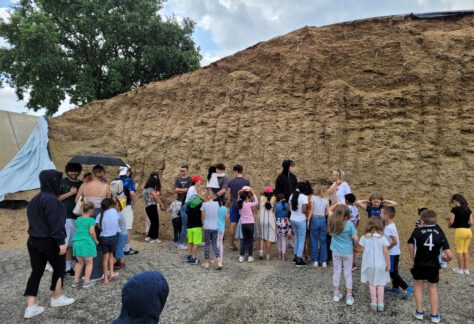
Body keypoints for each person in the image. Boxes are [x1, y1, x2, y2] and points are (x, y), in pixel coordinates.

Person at [23, 170, 75, 319]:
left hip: (33, 241)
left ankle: (30, 307)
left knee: (36, 271)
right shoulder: (53, 200)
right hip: (49, 241)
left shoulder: (34, 199)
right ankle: (57, 298)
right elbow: (56, 224)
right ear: (54, 182)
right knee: (59, 268)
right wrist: (61, 242)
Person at [408, 209, 453, 323]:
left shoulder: (417, 231)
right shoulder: (439, 231)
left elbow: (411, 246)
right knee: (432, 289)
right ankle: (434, 315)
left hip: (419, 264)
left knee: (418, 287)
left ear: (422, 221)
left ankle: (419, 313)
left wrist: (413, 260)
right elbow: (450, 255)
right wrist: (445, 259)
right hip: (433, 265)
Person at [75, 165, 111, 281]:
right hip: (100, 216)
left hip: (86, 215)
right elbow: (108, 203)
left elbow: (77, 200)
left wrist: (86, 201)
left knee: (85, 241)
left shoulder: (84, 185)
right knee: (98, 244)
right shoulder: (106, 186)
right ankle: (95, 273)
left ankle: (81, 273)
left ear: (93, 173)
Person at [328, 204, 359, 305]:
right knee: (347, 273)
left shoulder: (332, 221)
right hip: (347, 252)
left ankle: (336, 294)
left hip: (336, 251)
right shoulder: (350, 224)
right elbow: (355, 238)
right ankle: (349, 296)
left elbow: (329, 210)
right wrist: (355, 246)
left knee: (336, 271)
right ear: (347, 214)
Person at [359, 217, 391, 312]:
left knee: (372, 284)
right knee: (381, 284)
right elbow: (386, 252)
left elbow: (361, 250)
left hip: (369, 264)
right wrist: (388, 264)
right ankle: (381, 304)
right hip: (381, 264)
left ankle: (373, 303)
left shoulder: (364, 237)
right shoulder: (383, 238)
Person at [381, 206, 412, 299]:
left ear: (387, 215)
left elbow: (394, 242)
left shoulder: (389, 227)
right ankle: (395, 287)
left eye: (381, 213)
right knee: (394, 270)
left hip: (392, 253)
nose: (380, 215)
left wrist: (386, 248)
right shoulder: (389, 225)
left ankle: (406, 287)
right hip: (393, 252)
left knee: (392, 272)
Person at [58, 162, 83, 276]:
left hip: (79, 218)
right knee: (67, 244)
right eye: (71, 171)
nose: (73, 173)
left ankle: (72, 267)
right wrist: (71, 193)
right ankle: (65, 267)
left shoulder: (82, 184)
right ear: (67, 171)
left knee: (74, 243)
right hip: (66, 217)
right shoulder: (62, 182)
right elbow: (57, 198)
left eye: (76, 170)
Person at [72, 202, 99, 288]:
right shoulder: (91, 220)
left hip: (77, 243)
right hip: (86, 243)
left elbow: (78, 229)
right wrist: (95, 240)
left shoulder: (78, 219)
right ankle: (86, 282)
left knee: (79, 263)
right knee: (89, 263)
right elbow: (91, 232)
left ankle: (75, 281)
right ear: (91, 210)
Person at [96, 198, 121, 284]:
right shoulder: (114, 211)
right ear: (111, 205)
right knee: (111, 256)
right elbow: (117, 219)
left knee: (105, 259)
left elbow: (99, 227)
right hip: (113, 238)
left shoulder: (100, 215)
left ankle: (105, 279)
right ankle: (112, 273)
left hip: (104, 238)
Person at [448, 194, 473, 275]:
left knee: (459, 250)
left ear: (455, 200)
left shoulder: (454, 209)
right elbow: (471, 222)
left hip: (460, 231)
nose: (453, 203)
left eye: (453, 202)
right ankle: (467, 270)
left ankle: (460, 269)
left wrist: (449, 225)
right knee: (465, 250)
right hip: (468, 231)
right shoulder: (468, 210)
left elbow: (451, 221)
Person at [228, 164, 251, 251]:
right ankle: (245, 244)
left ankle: (231, 244)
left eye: (234, 172)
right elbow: (249, 195)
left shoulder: (231, 182)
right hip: (244, 206)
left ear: (236, 171)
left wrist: (230, 204)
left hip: (234, 205)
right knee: (245, 223)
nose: (233, 173)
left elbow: (229, 194)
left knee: (233, 224)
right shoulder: (246, 182)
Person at [117, 166, 139, 255]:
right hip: (126, 205)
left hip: (117, 205)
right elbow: (132, 193)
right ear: (128, 171)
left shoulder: (117, 179)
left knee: (119, 227)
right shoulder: (129, 180)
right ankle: (127, 249)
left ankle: (118, 247)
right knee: (127, 228)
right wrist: (134, 203)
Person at [289, 182, 309, 267]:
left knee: (297, 238)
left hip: (293, 218)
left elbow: (289, 208)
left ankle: (295, 257)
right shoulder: (304, 197)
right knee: (301, 239)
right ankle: (299, 260)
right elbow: (304, 210)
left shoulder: (291, 196)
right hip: (301, 219)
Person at [201, 190, 222, 270]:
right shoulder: (217, 204)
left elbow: (202, 216)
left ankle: (206, 263)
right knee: (214, 244)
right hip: (215, 227)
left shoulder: (204, 204)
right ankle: (219, 261)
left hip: (207, 227)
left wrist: (203, 224)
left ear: (207, 196)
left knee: (207, 245)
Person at [309, 186, 329, 267]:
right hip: (323, 219)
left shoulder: (313, 198)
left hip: (314, 218)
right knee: (323, 241)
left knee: (314, 240)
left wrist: (308, 220)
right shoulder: (326, 200)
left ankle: (315, 261)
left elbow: (311, 210)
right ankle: (323, 261)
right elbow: (327, 212)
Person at [143, 172, 167, 243]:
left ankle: (150, 236)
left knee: (152, 222)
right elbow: (156, 197)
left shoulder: (145, 189)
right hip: (152, 206)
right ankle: (154, 238)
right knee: (155, 222)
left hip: (147, 207)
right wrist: (161, 204)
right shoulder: (151, 189)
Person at [175, 166, 194, 249]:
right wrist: (184, 189)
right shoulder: (178, 179)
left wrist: (180, 189)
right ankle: (179, 241)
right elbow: (176, 190)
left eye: (184, 170)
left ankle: (189, 240)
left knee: (188, 223)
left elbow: (188, 190)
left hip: (187, 203)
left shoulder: (190, 179)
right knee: (182, 223)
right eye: (181, 170)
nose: (182, 172)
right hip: (180, 202)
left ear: (187, 171)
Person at [238, 188, 258, 262]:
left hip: (243, 224)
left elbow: (238, 200)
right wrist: (253, 193)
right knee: (250, 241)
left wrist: (239, 194)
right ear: (246, 197)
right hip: (250, 224)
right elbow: (256, 202)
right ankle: (250, 256)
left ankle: (241, 256)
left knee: (244, 240)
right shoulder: (248, 204)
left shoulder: (239, 204)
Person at [256, 186, 277, 260]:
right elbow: (274, 210)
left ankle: (261, 253)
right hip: (270, 220)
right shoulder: (273, 199)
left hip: (261, 219)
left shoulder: (261, 198)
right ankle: (268, 255)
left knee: (261, 236)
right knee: (269, 237)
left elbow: (258, 207)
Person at [185, 185, 204, 265]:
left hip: (189, 227)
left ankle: (189, 256)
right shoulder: (200, 205)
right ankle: (194, 258)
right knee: (196, 243)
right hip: (197, 226)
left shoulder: (188, 206)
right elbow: (202, 216)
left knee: (190, 242)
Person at [345, 193, 359, 271]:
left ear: (346, 200)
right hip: (354, 229)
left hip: (348, 230)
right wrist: (356, 228)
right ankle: (353, 262)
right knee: (353, 247)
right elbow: (358, 219)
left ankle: (350, 264)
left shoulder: (346, 208)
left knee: (348, 247)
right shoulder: (355, 208)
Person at [275, 194, 291, 261]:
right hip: (285, 221)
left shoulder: (276, 205)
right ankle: (283, 256)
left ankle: (279, 255)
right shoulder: (287, 205)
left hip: (278, 221)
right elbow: (289, 212)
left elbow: (275, 214)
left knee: (278, 239)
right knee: (284, 239)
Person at [217, 199, 228, 265]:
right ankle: (221, 258)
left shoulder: (214, 209)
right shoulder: (224, 208)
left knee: (216, 243)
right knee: (220, 243)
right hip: (222, 228)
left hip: (215, 228)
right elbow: (226, 218)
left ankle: (217, 258)